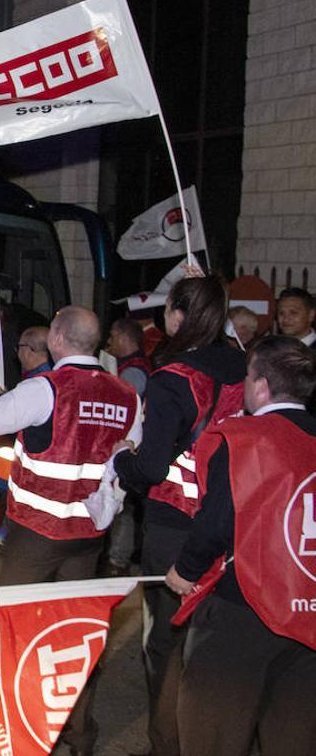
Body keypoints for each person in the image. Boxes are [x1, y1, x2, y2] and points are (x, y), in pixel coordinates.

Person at [0, 305, 141, 756]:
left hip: (35, 535)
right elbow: (126, 459)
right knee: (72, 636)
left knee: (17, 628)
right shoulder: (127, 395)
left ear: (57, 339)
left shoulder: (46, 388)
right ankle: (79, 735)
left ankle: (23, 725)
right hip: (88, 538)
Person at [112, 274, 246, 756]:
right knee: (216, 642)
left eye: (166, 309)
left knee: (165, 645)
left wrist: (122, 457)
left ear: (178, 316)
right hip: (234, 523)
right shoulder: (247, 367)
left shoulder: (171, 379)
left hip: (175, 525)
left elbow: (149, 469)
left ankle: (167, 743)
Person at [167, 336, 316, 756]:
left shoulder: (245, 439)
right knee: (294, 736)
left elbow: (217, 521)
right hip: (309, 612)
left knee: (211, 732)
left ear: (263, 386)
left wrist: (186, 570)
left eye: (249, 376)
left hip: (246, 607)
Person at [103, 317, 152, 577]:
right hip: (129, 444)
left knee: (123, 504)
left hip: (128, 446)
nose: (109, 341)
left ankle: (117, 561)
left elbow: (124, 407)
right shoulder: (136, 365)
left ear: (123, 337)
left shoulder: (133, 370)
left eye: (112, 335)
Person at [107, 317, 152, 396]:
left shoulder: (133, 373)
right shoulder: (140, 363)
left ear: (123, 339)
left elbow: (123, 402)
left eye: (112, 336)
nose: (109, 341)